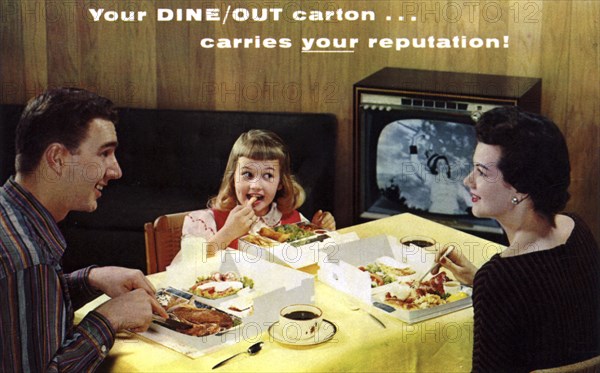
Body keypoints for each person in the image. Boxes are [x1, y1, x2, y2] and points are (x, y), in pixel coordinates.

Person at [0, 88, 168, 372]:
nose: (116, 171)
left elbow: (22, 308)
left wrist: (89, 279)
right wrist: (109, 319)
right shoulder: (26, 259)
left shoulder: (11, 216)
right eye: (104, 153)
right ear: (57, 158)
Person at [433, 106, 600, 372]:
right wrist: (478, 279)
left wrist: (489, 284)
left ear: (520, 188)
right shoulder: (578, 229)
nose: (468, 181)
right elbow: (553, 310)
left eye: (482, 172)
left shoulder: (499, 278)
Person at [182, 129, 336, 255]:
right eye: (248, 174)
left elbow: (309, 261)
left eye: (268, 175)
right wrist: (227, 233)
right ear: (232, 177)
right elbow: (186, 270)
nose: (256, 185)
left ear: (280, 183)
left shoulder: (293, 220)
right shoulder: (205, 222)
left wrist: (318, 233)